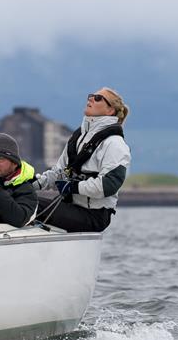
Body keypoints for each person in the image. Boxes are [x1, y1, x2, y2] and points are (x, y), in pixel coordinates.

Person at [34, 87, 131, 232]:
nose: (90, 99)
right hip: (71, 208)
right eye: (91, 96)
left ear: (110, 110)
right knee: (18, 199)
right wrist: (31, 184)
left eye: (98, 98)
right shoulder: (78, 138)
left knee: (28, 204)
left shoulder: (114, 144)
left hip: (93, 216)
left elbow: (108, 185)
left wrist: (73, 187)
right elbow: (59, 172)